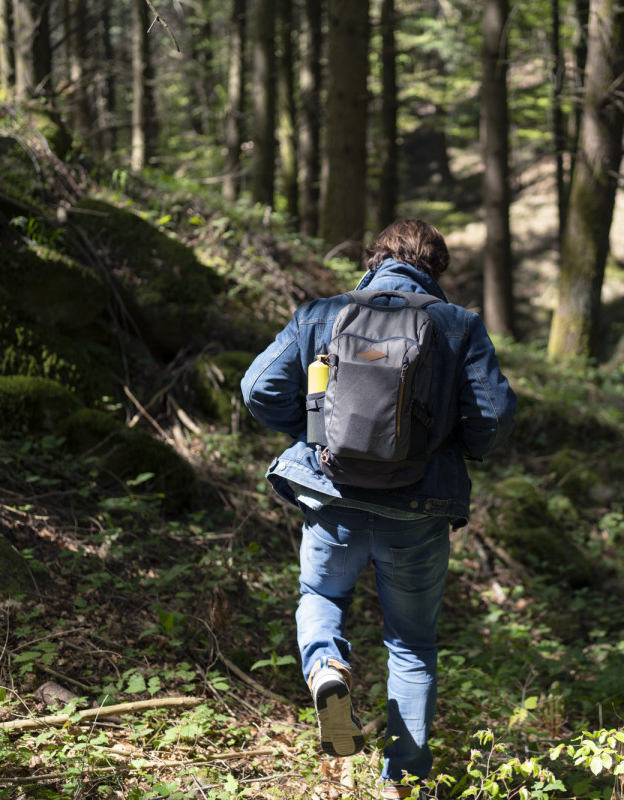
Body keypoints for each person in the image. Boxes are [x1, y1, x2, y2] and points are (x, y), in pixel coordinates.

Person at [240, 219, 517, 798]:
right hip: (417, 512)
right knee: (411, 644)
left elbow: (258, 387)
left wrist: (320, 436)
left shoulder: (322, 313)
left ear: (375, 258)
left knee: (321, 597)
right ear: (434, 268)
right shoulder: (459, 325)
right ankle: (401, 785)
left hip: (333, 498)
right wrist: (448, 447)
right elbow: (491, 418)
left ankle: (327, 671)